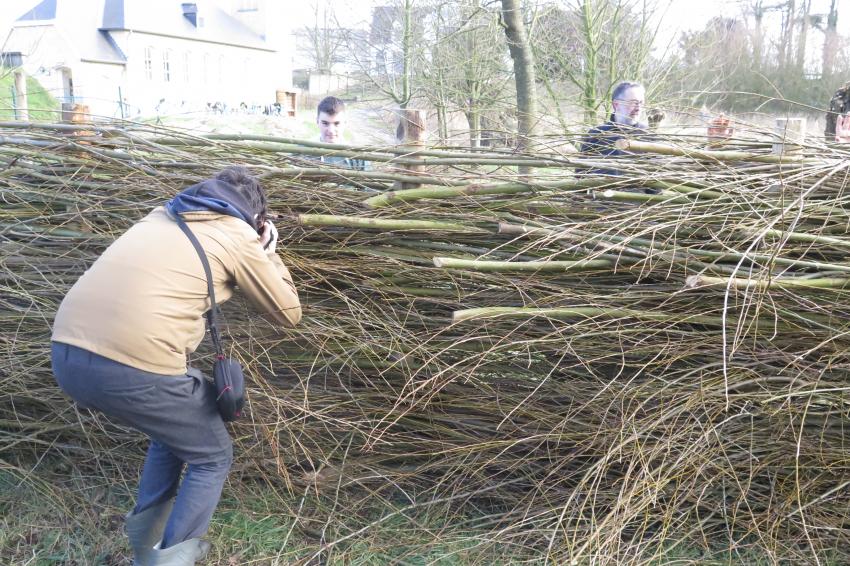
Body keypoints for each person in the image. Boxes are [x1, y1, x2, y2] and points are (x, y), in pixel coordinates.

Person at [50, 167, 301, 565]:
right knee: (212, 455)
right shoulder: (238, 235)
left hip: (66, 352)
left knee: (177, 430)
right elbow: (288, 312)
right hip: (133, 365)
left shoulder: (161, 214)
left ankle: (144, 549)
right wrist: (268, 252)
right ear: (256, 219)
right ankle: (171, 559)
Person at [579, 81, 651, 178]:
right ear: (616, 104)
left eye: (641, 102)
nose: (638, 108)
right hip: (599, 192)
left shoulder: (648, 136)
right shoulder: (596, 135)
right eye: (633, 102)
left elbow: (654, 182)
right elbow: (580, 176)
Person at [313, 95, 368, 171]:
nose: (331, 130)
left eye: (337, 124)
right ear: (317, 121)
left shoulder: (357, 157)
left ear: (345, 123)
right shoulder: (302, 153)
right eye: (325, 123)